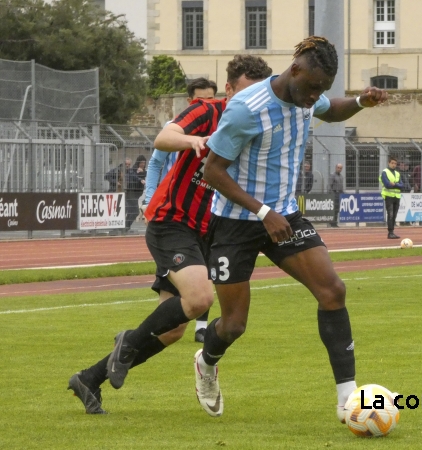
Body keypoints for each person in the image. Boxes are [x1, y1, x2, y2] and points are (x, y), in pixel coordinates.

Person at [67, 55, 273, 415]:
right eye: (246, 93)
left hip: (208, 232)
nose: (253, 102)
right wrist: (193, 140)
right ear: (228, 90)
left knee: (172, 329)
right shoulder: (208, 111)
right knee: (199, 300)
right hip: (173, 222)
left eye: (260, 95)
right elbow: (163, 137)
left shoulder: (260, 124)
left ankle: (89, 378)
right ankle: (127, 342)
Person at [199, 36, 388, 422]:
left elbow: (331, 111)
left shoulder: (307, 95)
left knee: (332, 290)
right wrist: (262, 211)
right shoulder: (246, 109)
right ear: (295, 69)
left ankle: (348, 401)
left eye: (321, 89)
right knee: (233, 325)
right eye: (312, 87)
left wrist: (359, 102)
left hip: (284, 217)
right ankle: (206, 362)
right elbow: (212, 171)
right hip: (236, 221)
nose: (314, 96)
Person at [142, 77, 219, 343]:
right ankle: (134, 341)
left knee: (201, 275)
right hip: (173, 212)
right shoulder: (177, 127)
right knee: (194, 284)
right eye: (201, 100)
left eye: (211, 99)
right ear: (191, 102)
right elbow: (156, 163)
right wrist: (149, 197)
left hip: (203, 214)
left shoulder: (221, 124)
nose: (207, 104)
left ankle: (200, 326)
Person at [380, 156, 403, 239]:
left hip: (397, 196)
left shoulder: (397, 173)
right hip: (389, 196)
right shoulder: (384, 172)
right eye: (392, 163)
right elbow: (387, 184)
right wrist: (396, 185)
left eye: (395, 163)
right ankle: (390, 232)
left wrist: (395, 184)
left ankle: (392, 232)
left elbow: (402, 185)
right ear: (388, 163)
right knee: (390, 214)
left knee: (394, 215)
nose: (394, 165)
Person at [125, 156, 146, 232]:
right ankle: (126, 226)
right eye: (141, 162)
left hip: (137, 193)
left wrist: (142, 172)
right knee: (135, 211)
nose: (142, 164)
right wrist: (138, 174)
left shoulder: (144, 170)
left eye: (144, 162)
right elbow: (133, 176)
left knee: (131, 210)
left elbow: (144, 175)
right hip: (131, 192)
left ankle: (126, 227)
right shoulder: (133, 169)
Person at [397, 161, 412, 226]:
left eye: (404, 165)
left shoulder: (407, 173)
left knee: (407, 207)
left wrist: (410, 187)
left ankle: (407, 221)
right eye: (402, 165)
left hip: (407, 191)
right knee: (401, 207)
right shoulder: (398, 173)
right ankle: (402, 221)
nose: (403, 166)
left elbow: (411, 181)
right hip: (402, 191)